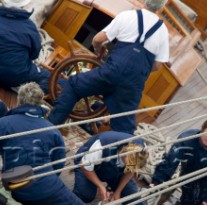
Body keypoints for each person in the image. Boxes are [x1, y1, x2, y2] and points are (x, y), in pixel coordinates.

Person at [48, 0, 170, 134]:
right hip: (133, 84)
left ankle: (49, 128)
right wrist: (139, 69)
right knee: (124, 128)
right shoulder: (163, 31)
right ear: (161, 7)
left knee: (73, 85)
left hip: (111, 72)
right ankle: (119, 149)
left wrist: (99, 49)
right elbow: (157, 65)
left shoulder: (127, 16)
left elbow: (97, 39)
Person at [74, 131, 164, 205]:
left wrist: (118, 192)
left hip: (116, 170)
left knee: (133, 198)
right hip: (89, 165)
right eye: (127, 163)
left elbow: (130, 170)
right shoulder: (101, 146)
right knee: (85, 195)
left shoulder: (141, 150)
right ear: (124, 154)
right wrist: (101, 186)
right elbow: (85, 166)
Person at [0, 0, 62, 94]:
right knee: (52, 79)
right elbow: (34, 55)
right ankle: (27, 95)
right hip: (15, 77)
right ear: (24, 5)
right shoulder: (30, 27)